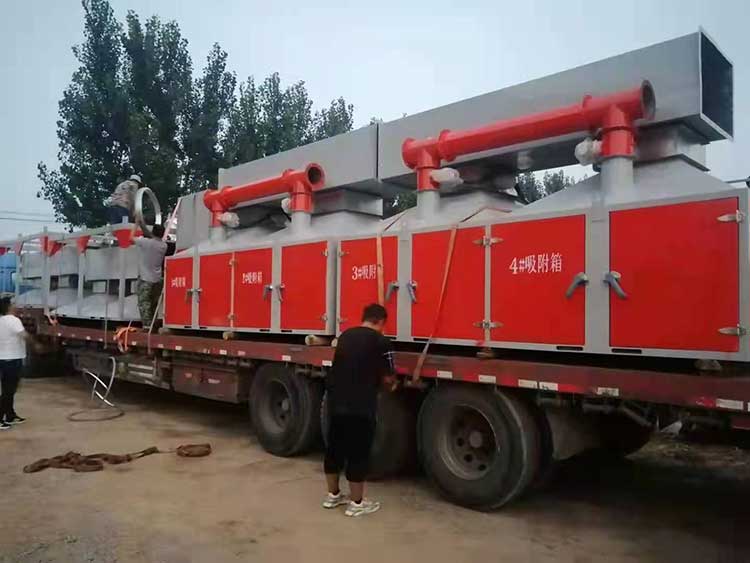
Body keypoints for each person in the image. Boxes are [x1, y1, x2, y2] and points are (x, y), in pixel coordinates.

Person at [323, 303, 395, 517]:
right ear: (381, 321)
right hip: (361, 405)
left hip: (336, 402)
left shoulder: (345, 336)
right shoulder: (382, 341)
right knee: (358, 453)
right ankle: (357, 503)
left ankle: (333, 496)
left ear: (364, 318)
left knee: (334, 449)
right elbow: (388, 378)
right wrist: (392, 386)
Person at [0, 297, 33, 429]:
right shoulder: (13, 320)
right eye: (13, 304)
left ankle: (10, 415)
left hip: (4, 359)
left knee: (8, 389)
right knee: (9, 390)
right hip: (12, 359)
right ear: (8, 307)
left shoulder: (1, 320)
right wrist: (36, 344)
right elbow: (24, 335)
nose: (16, 306)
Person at [132, 224, 167, 327]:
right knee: (153, 303)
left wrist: (136, 224)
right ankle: (153, 324)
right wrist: (142, 224)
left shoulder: (145, 242)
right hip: (157, 279)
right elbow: (152, 236)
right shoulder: (164, 246)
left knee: (144, 303)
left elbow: (130, 238)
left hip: (145, 278)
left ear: (153, 232)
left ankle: (147, 325)